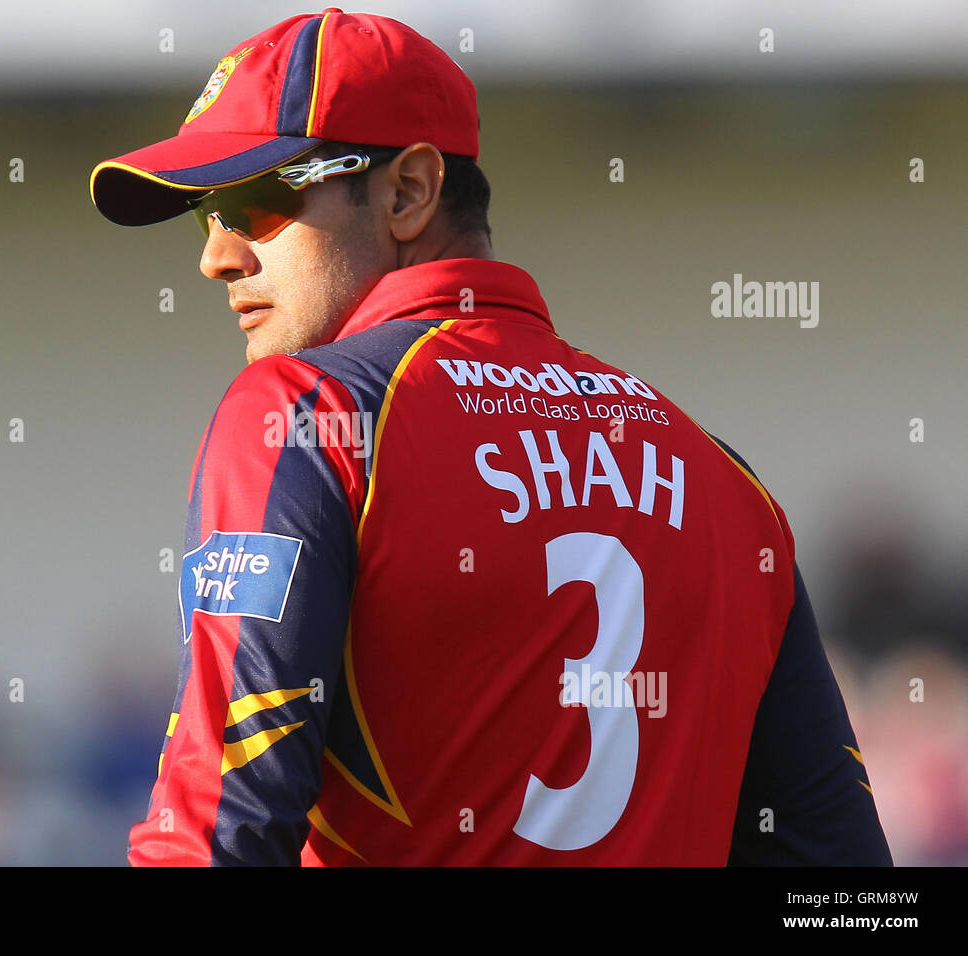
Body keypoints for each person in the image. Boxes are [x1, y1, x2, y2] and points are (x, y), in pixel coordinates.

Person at [89, 7, 892, 866]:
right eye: (206, 214)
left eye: (257, 201)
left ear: (409, 191)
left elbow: (218, 834)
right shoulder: (724, 481)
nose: (217, 257)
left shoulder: (304, 415)